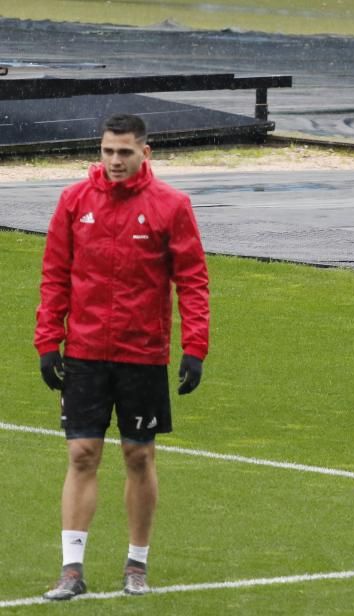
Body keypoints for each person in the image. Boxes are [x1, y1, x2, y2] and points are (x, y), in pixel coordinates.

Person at [34, 113, 210, 600]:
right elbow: (55, 274)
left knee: (138, 456)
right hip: (86, 352)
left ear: (144, 153)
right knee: (82, 453)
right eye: (108, 151)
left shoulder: (171, 206)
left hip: (142, 354)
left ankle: (137, 562)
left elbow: (192, 280)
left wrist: (195, 347)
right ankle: (72, 569)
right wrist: (48, 341)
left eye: (124, 152)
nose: (114, 161)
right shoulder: (73, 201)